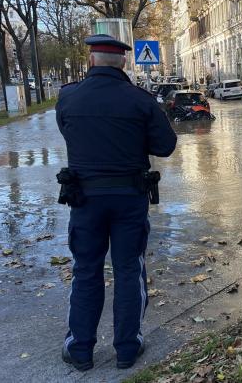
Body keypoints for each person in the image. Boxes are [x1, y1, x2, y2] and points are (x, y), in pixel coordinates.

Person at [56, 34, 177, 371]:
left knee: (85, 271)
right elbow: (166, 146)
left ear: (92, 60)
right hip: (129, 198)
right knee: (128, 270)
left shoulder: (68, 98)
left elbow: (67, 132)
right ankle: (127, 348)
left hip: (84, 199)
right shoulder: (139, 100)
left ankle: (80, 349)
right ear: (124, 61)